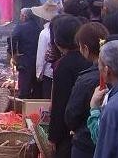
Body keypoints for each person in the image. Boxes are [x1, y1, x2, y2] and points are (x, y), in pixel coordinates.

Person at [48, 15, 91, 158]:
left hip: (69, 130)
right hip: (88, 124)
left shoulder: (63, 65)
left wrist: (53, 136)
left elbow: (60, 104)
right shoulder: (88, 58)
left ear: (58, 41)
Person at [65, 22, 109, 158]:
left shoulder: (85, 80)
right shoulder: (117, 73)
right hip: (109, 140)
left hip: (86, 142)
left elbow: (72, 115)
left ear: (85, 48)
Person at [9, 8, 42, 98]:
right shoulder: (39, 27)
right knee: (36, 89)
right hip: (39, 62)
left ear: (24, 16)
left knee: (24, 89)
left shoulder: (21, 27)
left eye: (20, 15)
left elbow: (12, 39)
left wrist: (13, 53)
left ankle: (24, 108)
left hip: (25, 61)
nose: (20, 17)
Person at [32, 1, 59, 99]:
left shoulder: (44, 33)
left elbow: (41, 56)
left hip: (48, 72)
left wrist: (39, 74)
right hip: (57, 71)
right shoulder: (58, 28)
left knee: (47, 98)